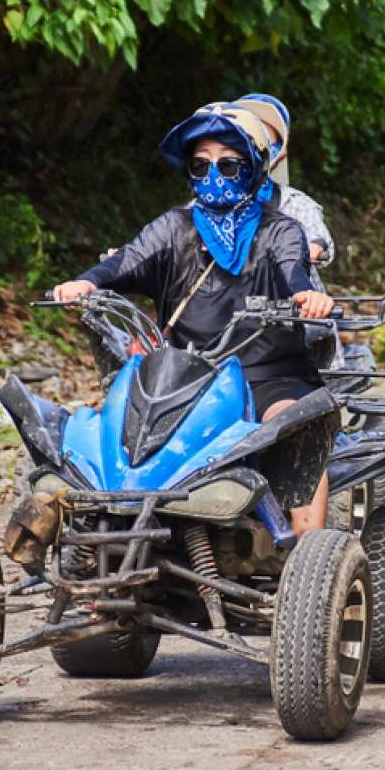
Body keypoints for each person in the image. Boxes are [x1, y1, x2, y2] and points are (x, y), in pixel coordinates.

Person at [51, 102, 335, 536]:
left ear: (255, 166)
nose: (214, 177)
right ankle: (80, 540)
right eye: (201, 166)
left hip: (267, 374)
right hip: (183, 376)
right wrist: (86, 284)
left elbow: (293, 267)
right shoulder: (173, 227)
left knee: (295, 424)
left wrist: (305, 295)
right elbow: (128, 259)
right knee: (88, 439)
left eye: (229, 164)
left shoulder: (281, 228)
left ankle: (309, 556)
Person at [234, 92, 359, 369]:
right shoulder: (206, 203)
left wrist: (298, 251)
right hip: (226, 318)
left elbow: (319, 242)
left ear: (279, 152)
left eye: (264, 141)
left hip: (290, 316)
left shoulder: (295, 204)